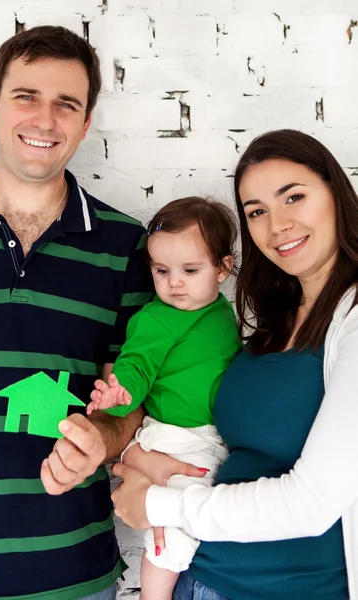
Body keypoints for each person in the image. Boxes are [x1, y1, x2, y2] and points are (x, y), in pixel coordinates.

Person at [0, 25, 202, 600]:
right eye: (26, 96)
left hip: (75, 575)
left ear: (85, 121)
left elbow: (136, 396)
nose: (45, 120)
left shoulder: (128, 247)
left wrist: (102, 437)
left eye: (66, 104)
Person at [111, 129, 358, 600]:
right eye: (257, 212)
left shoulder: (353, 322)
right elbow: (212, 436)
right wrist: (138, 458)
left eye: (294, 197)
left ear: (336, 194)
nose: (278, 223)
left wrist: (159, 504)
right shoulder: (270, 323)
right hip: (196, 578)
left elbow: (311, 503)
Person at [87, 197, 241, 600]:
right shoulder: (157, 318)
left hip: (206, 435)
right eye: (161, 270)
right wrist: (120, 393)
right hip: (177, 435)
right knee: (176, 533)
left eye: (190, 270)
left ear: (223, 269)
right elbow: (136, 365)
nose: (175, 283)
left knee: (198, 518)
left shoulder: (221, 311)